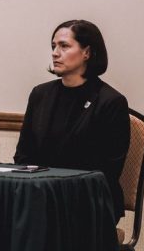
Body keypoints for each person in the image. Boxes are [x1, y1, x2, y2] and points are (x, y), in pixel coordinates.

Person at [14, 19, 130, 218]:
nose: (55, 52)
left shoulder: (111, 102)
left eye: (64, 46)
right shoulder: (40, 94)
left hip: (88, 202)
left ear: (87, 52)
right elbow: (23, 154)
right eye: (53, 46)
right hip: (40, 195)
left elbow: (107, 170)